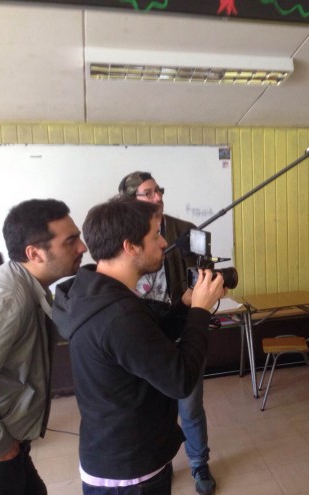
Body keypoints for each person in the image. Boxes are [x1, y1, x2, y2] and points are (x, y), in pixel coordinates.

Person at [52, 198, 225, 495]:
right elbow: (181, 379)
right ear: (130, 246)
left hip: (115, 452)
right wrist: (200, 312)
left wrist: (184, 306)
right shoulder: (118, 315)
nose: (163, 243)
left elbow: (146, 339)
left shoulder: (93, 293)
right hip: (130, 474)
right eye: (155, 235)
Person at [117, 171, 216, 494]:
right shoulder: (118, 233)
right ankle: (161, 461)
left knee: (189, 408)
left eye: (158, 190)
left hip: (179, 330)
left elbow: (202, 269)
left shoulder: (181, 229)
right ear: (130, 199)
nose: (157, 197)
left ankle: (199, 464)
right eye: (148, 193)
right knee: (149, 409)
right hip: (141, 335)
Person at [0, 199, 87, 494]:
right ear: (34, 253)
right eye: (71, 241)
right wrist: (1, 445)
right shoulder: (9, 300)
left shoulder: (26, 286)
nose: (82, 247)